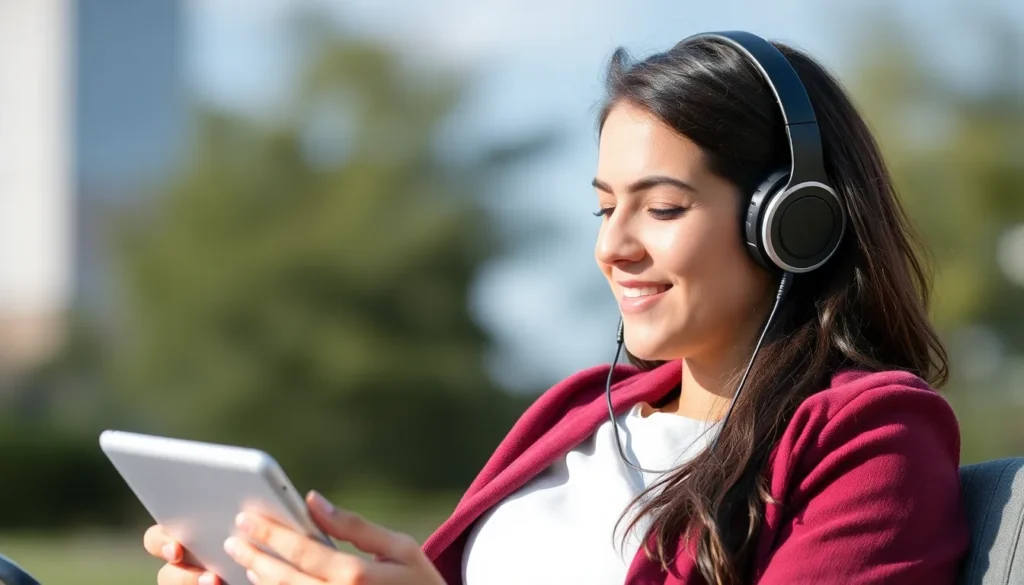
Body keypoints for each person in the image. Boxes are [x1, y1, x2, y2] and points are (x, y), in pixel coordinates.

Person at [142, 31, 971, 585]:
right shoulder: (576, 412)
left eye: (663, 207)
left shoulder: (870, 435)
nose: (614, 246)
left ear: (794, 223)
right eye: (604, 206)